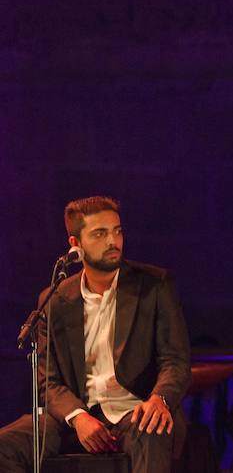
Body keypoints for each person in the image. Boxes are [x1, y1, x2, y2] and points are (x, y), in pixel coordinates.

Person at [0, 196, 191, 473]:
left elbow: (176, 360)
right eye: (100, 233)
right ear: (75, 245)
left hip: (135, 408)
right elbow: (48, 382)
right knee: (5, 444)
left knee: (153, 429)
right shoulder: (54, 300)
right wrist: (78, 418)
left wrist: (159, 399)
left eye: (118, 230)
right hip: (76, 416)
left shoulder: (155, 285)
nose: (113, 241)